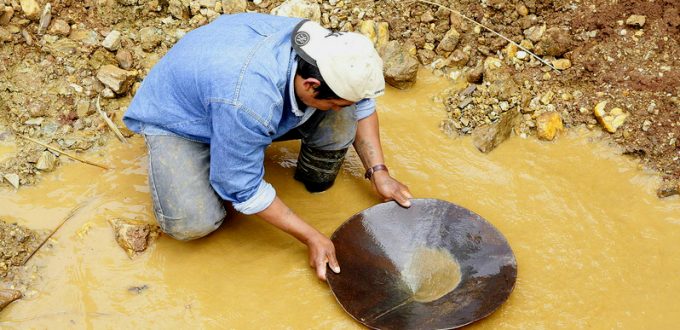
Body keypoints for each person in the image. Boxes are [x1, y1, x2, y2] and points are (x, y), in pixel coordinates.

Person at [123, 13, 413, 280]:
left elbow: (360, 104)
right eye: (335, 103)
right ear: (311, 85)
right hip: (181, 120)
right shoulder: (249, 101)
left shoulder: (327, 52)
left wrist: (379, 172)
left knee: (341, 118)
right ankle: (225, 155)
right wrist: (312, 236)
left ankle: (301, 176)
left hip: (229, 91)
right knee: (192, 223)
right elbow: (243, 188)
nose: (340, 109)